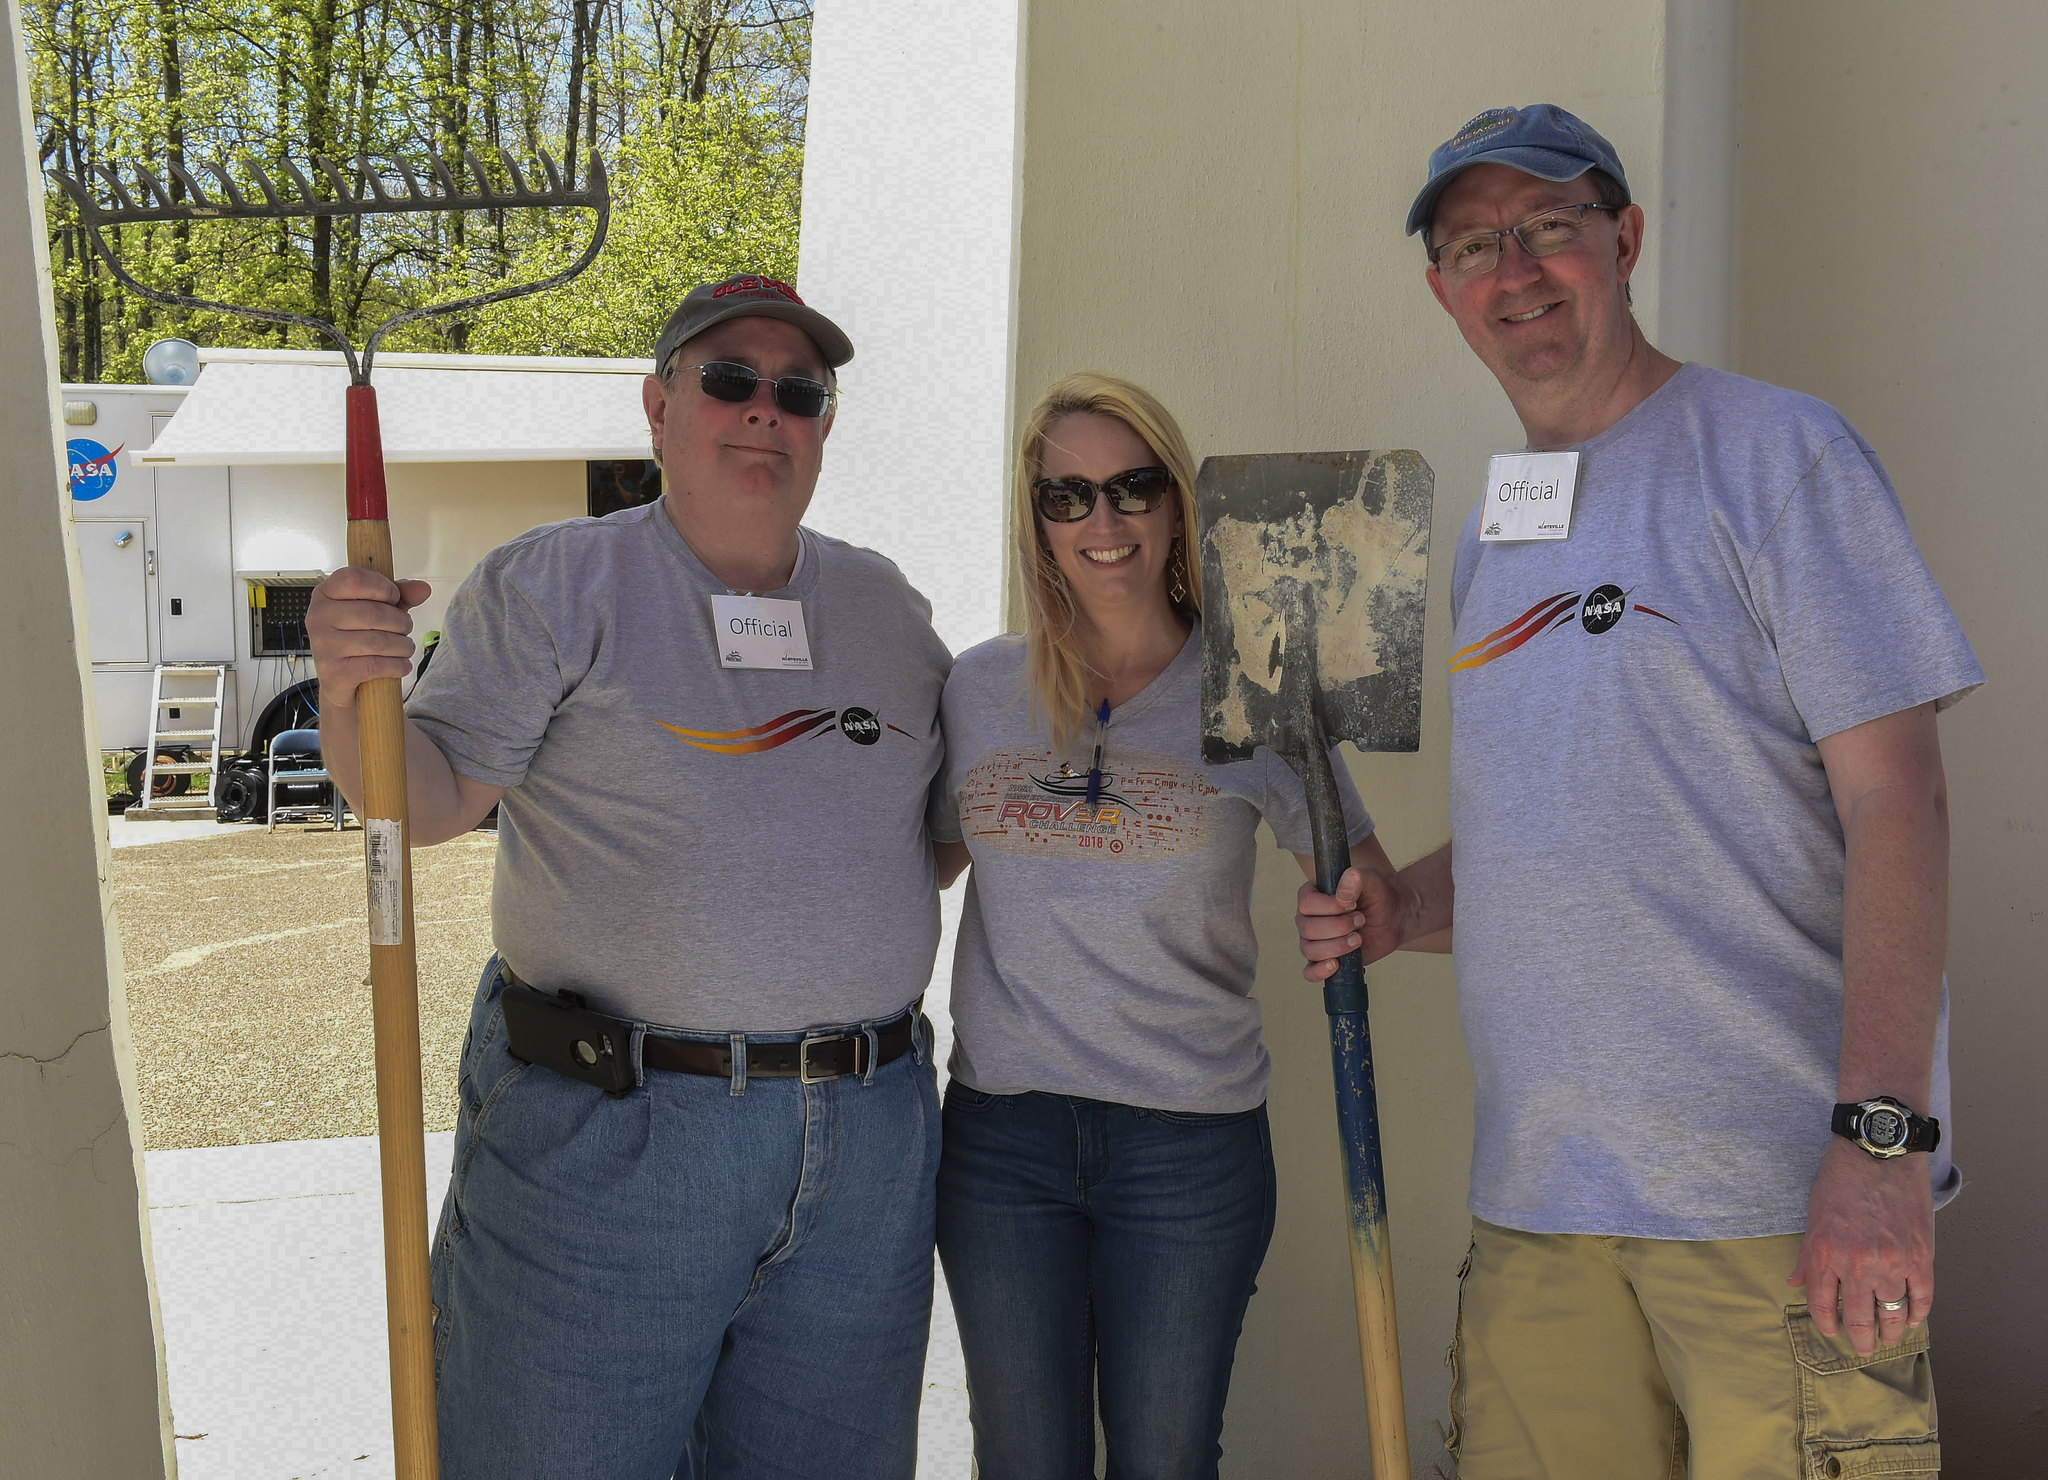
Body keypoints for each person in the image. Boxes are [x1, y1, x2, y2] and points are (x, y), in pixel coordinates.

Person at [1296, 105, 1982, 1479]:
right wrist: (1398, 909)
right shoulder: (1504, 524)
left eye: (1550, 226)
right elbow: (1548, 834)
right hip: (1542, 1213)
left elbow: (1896, 803)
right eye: (1476, 244)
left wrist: (1881, 1145)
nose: (1518, 270)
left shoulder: (1773, 456)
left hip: (1770, 1208)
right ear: (1443, 292)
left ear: (1625, 238)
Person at [306, 272, 965, 1480]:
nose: (763, 409)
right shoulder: (555, 585)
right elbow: (428, 797)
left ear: (823, 425)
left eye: (797, 392)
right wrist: (352, 690)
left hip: (863, 1147)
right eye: (727, 380)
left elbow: (934, 835)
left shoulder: (884, 608)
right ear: (657, 408)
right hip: (611, 1142)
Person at [930, 373, 1393, 1480]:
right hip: (1004, 1140)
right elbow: (916, 862)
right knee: (1023, 1460)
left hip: (1186, 1144)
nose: (1104, 520)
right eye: (1068, 495)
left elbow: (1364, 884)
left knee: (1165, 1458)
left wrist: (1351, 912)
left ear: (1178, 504)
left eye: (1134, 486)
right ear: (1034, 518)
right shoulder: (978, 688)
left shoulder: (1256, 688)